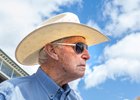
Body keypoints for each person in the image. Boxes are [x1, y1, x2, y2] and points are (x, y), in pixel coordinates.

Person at [0, 12, 108, 100]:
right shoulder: (10, 93)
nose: (87, 56)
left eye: (86, 48)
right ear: (52, 51)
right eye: (79, 47)